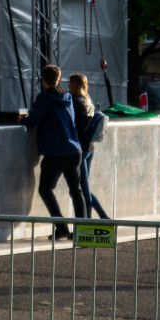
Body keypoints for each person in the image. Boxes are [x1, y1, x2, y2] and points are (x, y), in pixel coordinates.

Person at [22, 64, 86, 239]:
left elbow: (33, 121)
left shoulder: (44, 98)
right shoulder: (68, 97)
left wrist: (23, 120)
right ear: (58, 79)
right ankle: (82, 231)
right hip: (74, 150)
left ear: (43, 80)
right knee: (76, 191)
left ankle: (61, 227)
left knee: (45, 189)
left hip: (55, 152)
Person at [69, 74, 109, 220]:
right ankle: (103, 217)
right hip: (90, 147)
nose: (68, 85)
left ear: (74, 85)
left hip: (82, 148)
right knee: (84, 188)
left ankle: (90, 220)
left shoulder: (74, 102)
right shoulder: (87, 100)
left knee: (83, 190)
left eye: (70, 83)